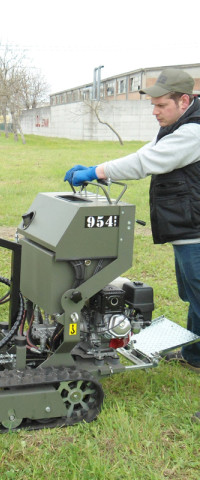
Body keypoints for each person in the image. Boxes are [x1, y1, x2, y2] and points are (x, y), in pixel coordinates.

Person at [64, 68, 200, 375]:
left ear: (184, 101)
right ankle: (196, 356)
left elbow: (147, 162)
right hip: (188, 230)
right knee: (193, 295)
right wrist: (101, 169)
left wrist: (97, 171)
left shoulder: (194, 131)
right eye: (153, 105)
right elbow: (149, 151)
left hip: (196, 232)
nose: (155, 112)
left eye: (161, 105)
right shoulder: (179, 123)